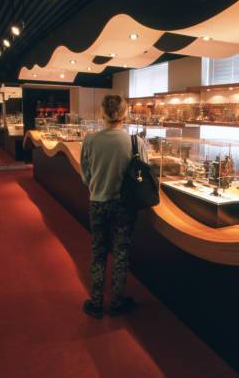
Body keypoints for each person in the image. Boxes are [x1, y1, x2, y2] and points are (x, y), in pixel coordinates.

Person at [80, 95, 148, 319]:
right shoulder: (135, 142)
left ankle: (96, 302)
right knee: (120, 253)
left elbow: (86, 174)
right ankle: (117, 301)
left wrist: (96, 186)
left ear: (102, 113)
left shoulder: (90, 140)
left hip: (98, 202)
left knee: (98, 252)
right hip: (124, 206)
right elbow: (144, 172)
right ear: (124, 113)